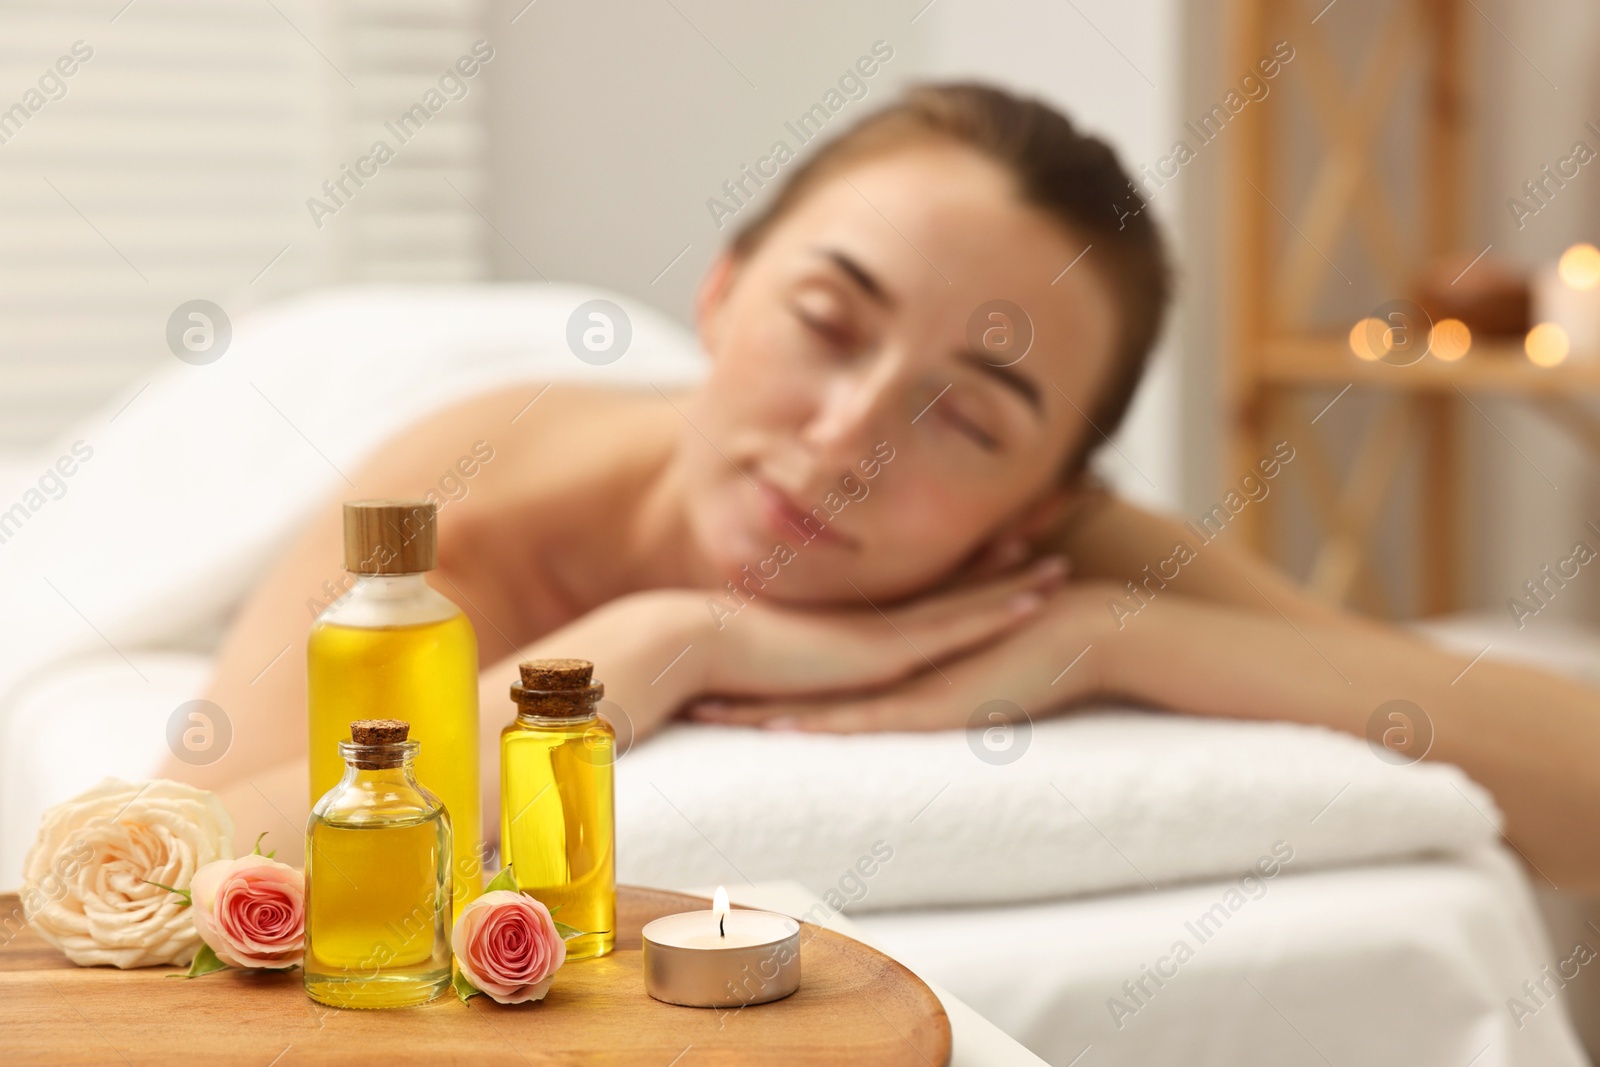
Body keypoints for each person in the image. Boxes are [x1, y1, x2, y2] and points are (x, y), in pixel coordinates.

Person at [168, 83, 1600, 889]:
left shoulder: (1059, 552)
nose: (852, 435)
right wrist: (647, 648)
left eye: (966, 419)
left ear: (1042, 506)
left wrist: (1123, 635)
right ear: (724, 291)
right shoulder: (452, 514)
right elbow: (184, 871)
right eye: (828, 323)